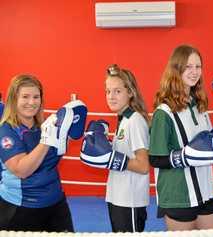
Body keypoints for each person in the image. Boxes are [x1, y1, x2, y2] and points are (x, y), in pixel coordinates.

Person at [148, 45, 213, 231]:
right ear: (176, 68)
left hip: (206, 191)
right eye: (188, 66)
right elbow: (155, 158)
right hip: (178, 196)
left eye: (198, 67)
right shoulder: (163, 112)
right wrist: (184, 156)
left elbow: (205, 146)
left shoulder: (199, 106)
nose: (194, 72)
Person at [80, 64, 150, 233]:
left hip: (130, 201)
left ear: (130, 92)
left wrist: (113, 158)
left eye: (117, 91)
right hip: (117, 197)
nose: (111, 96)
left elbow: (143, 165)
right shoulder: (123, 120)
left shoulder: (135, 120)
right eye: (108, 91)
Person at [0, 74, 74, 232]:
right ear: (14, 99)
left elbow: (49, 163)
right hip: (21, 207)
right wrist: (46, 140)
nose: (31, 102)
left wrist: (67, 135)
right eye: (25, 97)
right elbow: (21, 170)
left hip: (56, 203)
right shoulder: (7, 130)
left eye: (36, 97)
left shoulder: (45, 125)